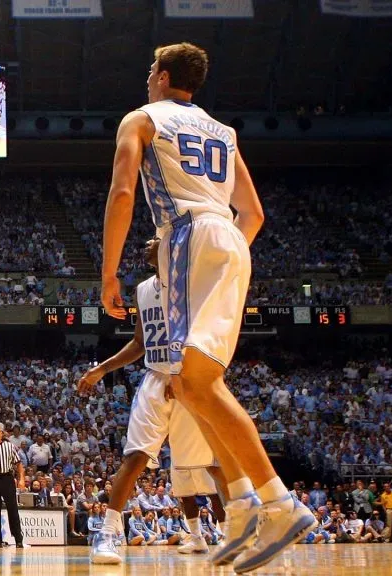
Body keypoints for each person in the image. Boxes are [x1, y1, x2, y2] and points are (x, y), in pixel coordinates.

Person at [99, 42, 314, 573]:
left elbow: (123, 192)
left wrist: (107, 273)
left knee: (194, 383)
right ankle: (241, 506)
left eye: (151, 69)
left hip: (188, 237)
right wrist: (226, 253)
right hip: (229, 239)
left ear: (163, 75)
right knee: (192, 382)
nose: (147, 77)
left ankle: (278, 503)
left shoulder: (142, 118)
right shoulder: (224, 130)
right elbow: (255, 213)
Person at [80, 238, 227, 564]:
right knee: (135, 456)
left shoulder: (192, 283)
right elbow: (139, 342)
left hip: (189, 379)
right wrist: (101, 370)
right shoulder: (145, 289)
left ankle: (232, 531)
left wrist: (184, 372)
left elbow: (206, 333)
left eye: (157, 240)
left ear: (171, 250)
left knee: (212, 463)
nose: (149, 242)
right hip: (156, 378)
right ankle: (108, 533)